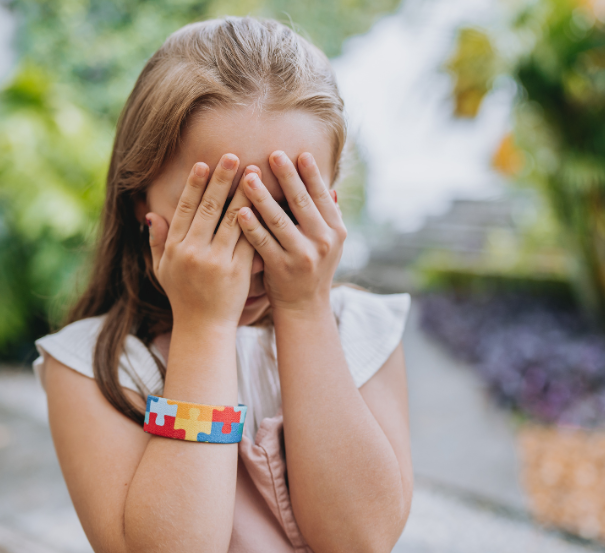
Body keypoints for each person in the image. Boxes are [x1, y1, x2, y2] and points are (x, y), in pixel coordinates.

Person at [32, 16, 413, 553]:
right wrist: (204, 327)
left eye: (286, 212)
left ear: (329, 198)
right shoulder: (94, 368)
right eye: (221, 214)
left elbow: (360, 540)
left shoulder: (364, 332)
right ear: (141, 198)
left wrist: (304, 309)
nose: (256, 252)